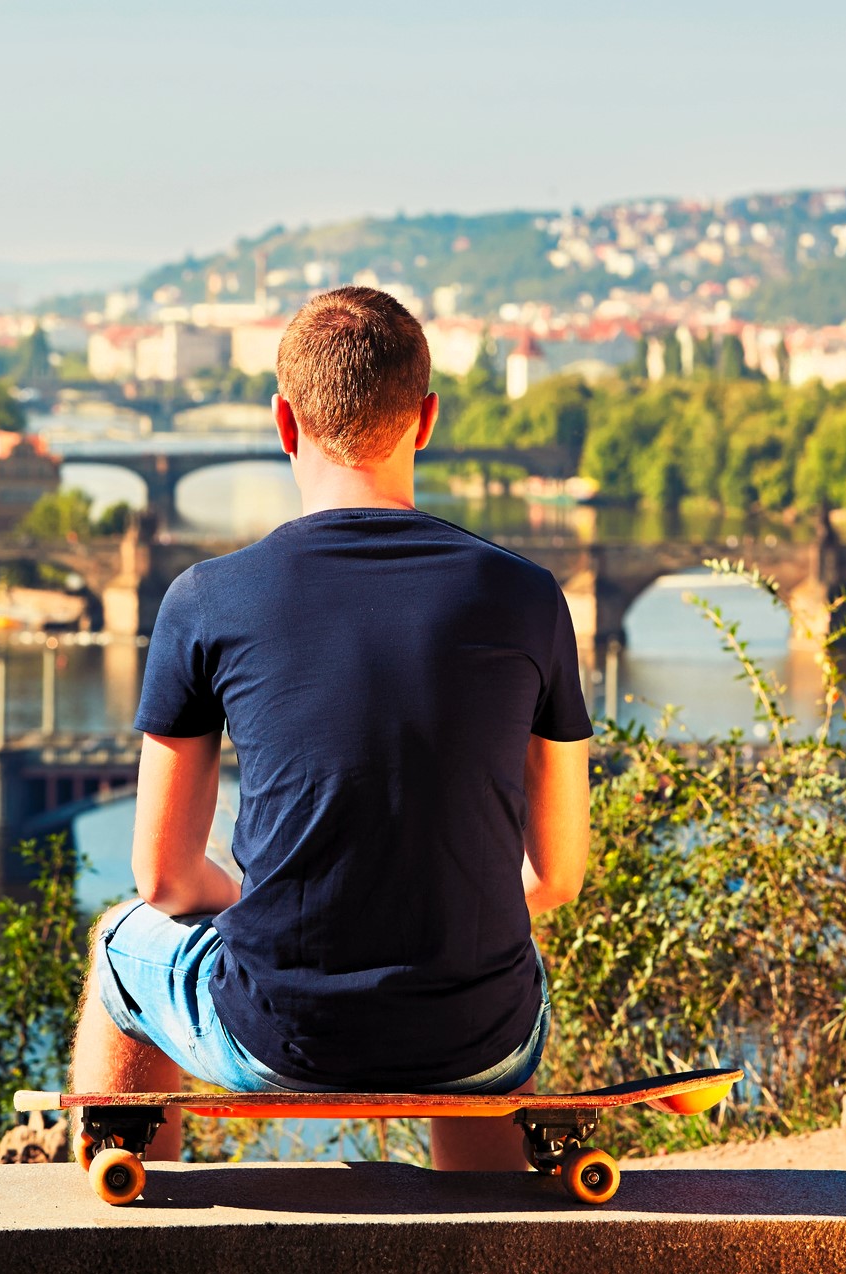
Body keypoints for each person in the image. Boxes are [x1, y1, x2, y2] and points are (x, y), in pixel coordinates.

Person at [69, 287, 593, 1170]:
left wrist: (277, 911)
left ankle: (131, 1218)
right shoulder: (530, 595)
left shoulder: (206, 599)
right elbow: (558, 874)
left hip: (279, 1032)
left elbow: (161, 875)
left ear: (283, 420)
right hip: (483, 1034)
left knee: (122, 942)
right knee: (479, 986)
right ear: (426, 420)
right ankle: (483, 1224)